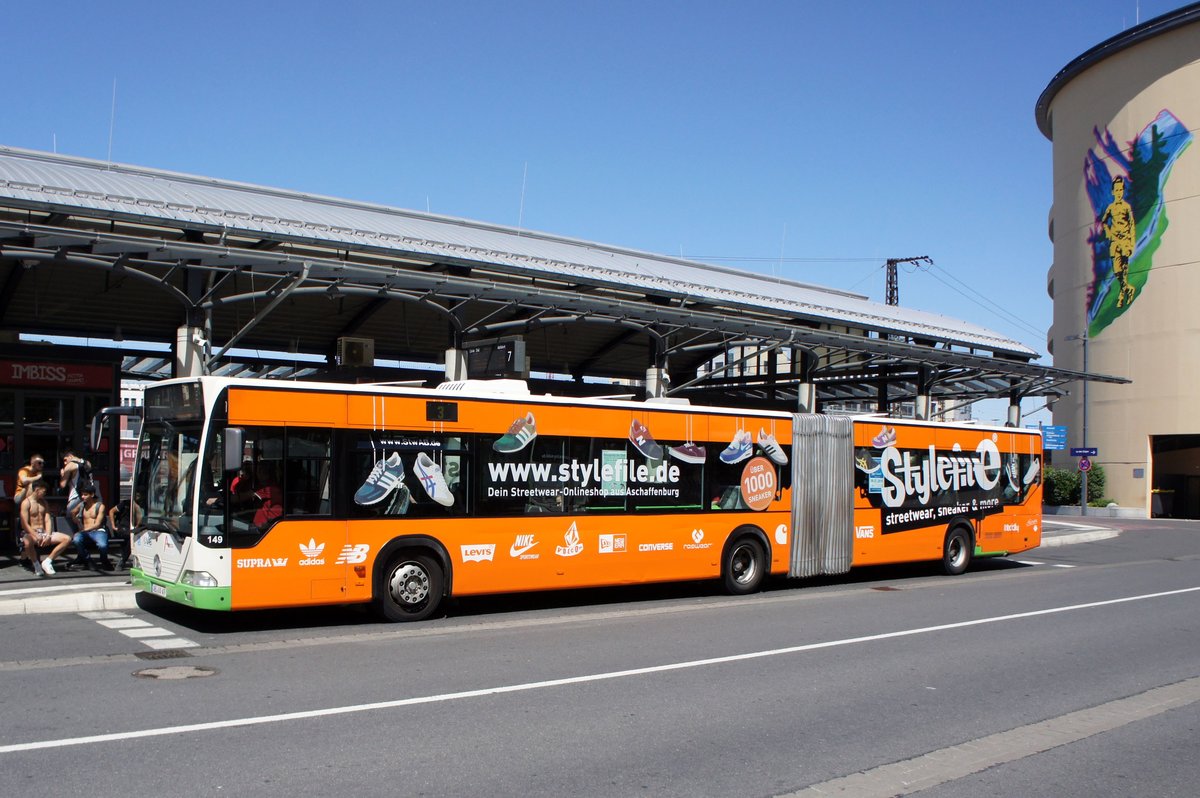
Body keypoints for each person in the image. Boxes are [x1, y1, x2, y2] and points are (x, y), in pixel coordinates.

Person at [20, 480, 71, 577]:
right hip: (31, 532)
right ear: (37, 490)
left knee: (67, 539)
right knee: (27, 542)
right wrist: (35, 535)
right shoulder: (26, 503)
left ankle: (47, 561)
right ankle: (36, 565)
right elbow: (25, 524)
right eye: (44, 491)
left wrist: (47, 535)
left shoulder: (44, 502)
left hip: (43, 532)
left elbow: (48, 520)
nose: (45, 493)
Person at [1101, 175, 1137, 308]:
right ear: (1113, 192)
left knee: (1125, 269)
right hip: (1114, 241)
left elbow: (1132, 224)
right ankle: (1127, 288)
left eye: (1121, 190)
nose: (1119, 193)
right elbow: (1104, 221)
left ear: (1123, 191)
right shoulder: (1110, 208)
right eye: (1116, 190)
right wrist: (1108, 232)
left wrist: (1131, 242)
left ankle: (1121, 296)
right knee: (1117, 271)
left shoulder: (1126, 207)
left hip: (1125, 240)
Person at [71, 482, 112, 570]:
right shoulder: (82, 505)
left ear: (92, 495)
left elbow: (97, 524)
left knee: (102, 545)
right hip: (86, 532)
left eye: (85, 495)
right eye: (82, 495)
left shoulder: (100, 506)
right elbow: (73, 512)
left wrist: (83, 530)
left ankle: (104, 560)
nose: (82, 497)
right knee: (76, 540)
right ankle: (88, 560)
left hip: (98, 531)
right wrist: (76, 520)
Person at [59, 448, 91, 534]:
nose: (65, 463)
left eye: (65, 459)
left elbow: (62, 485)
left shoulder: (70, 466)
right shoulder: (87, 463)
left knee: (70, 519)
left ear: (70, 456)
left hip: (76, 496)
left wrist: (62, 474)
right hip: (88, 496)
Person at [252, 461, 283, 528]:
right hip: (259, 527)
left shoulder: (271, 489)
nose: (258, 473)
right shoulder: (261, 486)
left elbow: (247, 495)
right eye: (258, 471)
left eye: (261, 470)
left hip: (265, 529)